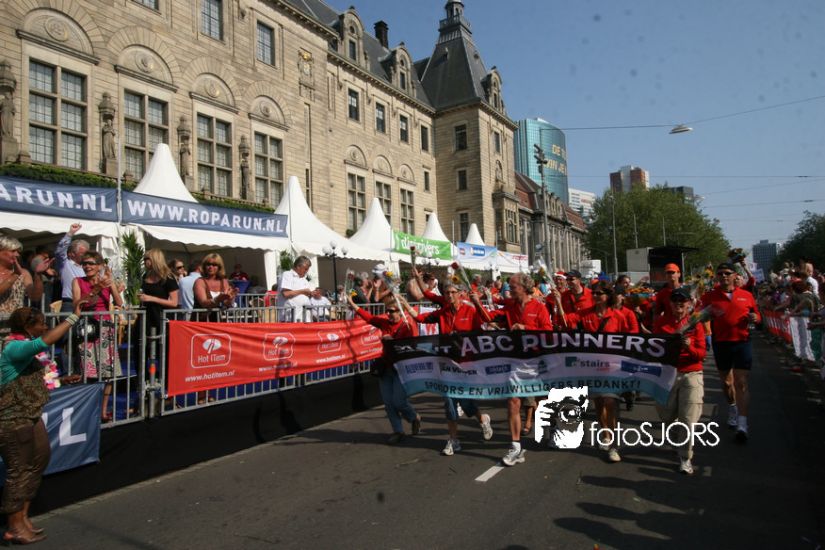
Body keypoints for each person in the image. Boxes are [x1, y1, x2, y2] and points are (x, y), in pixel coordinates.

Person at [0, 300, 86, 544]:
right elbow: (44, 342)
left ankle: (23, 517)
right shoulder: (13, 348)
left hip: (30, 414)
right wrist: (73, 318)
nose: (45, 327)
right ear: (28, 327)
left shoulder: (25, 347)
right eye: (41, 324)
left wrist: (63, 380)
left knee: (39, 459)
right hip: (13, 417)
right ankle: (14, 526)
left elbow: (32, 377)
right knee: (19, 469)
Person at [478, 273, 552, 466]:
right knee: (513, 401)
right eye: (509, 287)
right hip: (516, 360)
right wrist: (476, 303)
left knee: (542, 400)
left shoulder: (539, 307)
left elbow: (548, 332)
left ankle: (550, 427)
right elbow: (489, 317)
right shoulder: (509, 306)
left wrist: (525, 327)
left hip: (536, 361)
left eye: (512, 286)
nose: (508, 290)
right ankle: (516, 447)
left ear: (524, 287)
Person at [411, 282, 493, 456]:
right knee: (449, 400)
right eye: (446, 293)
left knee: (465, 401)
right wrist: (404, 304)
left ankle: (482, 419)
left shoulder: (469, 311)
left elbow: (480, 333)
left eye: (452, 292)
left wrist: (462, 338)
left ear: (460, 294)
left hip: (466, 364)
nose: (449, 295)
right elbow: (420, 319)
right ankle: (453, 440)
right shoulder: (443, 312)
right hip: (447, 363)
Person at [560, 281, 627, 462]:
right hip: (592, 367)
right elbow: (565, 321)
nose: (596, 296)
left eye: (599, 293)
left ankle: (614, 445)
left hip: (613, 367)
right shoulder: (585, 313)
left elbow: (629, 340)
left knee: (610, 402)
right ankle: (605, 434)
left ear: (608, 296)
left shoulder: (618, 316)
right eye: (594, 293)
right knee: (598, 403)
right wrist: (558, 302)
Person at [347, 293, 421, 444]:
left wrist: (393, 341)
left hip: (401, 369)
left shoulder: (408, 326)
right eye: (387, 311)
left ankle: (414, 417)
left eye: (392, 311)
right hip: (385, 368)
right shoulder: (384, 323)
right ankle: (398, 431)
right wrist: (352, 304)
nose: (389, 314)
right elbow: (368, 317)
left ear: (400, 311)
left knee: (399, 402)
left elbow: (413, 346)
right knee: (388, 403)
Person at [700, 262, 760, 442]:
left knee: (741, 382)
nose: (724, 276)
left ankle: (742, 424)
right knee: (727, 383)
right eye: (720, 273)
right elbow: (699, 315)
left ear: (735, 275)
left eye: (727, 273)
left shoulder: (746, 295)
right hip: (721, 343)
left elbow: (757, 316)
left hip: (742, 342)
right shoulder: (710, 296)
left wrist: (755, 317)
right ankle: (733, 407)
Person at [653, 287, 707, 475]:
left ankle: (685, 457)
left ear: (689, 304)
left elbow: (702, 354)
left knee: (689, 419)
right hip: (667, 374)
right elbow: (653, 349)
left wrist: (689, 347)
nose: (678, 304)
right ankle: (676, 437)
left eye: (682, 301)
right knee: (666, 416)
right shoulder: (661, 323)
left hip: (691, 374)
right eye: (675, 300)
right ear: (670, 304)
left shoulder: (695, 324)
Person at [72, 251, 123, 422]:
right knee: (88, 372)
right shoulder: (77, 281)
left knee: (108, 372)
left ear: (99, 266)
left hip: (105, 328)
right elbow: (78, 305)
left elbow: (119, 302)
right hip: (87, 329)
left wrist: (111, 284)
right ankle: (88, 410)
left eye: (91, 263)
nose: (87, 266)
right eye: (84, 263)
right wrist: (97, 288)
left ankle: (103, 410)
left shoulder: (106, 281)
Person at [0, 236, 48, 339]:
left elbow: (35, 297)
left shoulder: (24, 273)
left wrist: (38, 275)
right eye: (13, 251)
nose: (17, 255)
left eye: (18, 252)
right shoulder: (18, 273)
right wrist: (15, 276)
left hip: (16, 328)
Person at [138, 249, 179, 339]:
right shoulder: (146, 275)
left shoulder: (168, 277)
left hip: (160, 317)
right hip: (145, 316)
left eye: (147, 259)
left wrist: (152, 298)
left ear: (155, 259)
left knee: (158, 343)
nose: (144, 261)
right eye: (144, 259)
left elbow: (174, 303)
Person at [54, 223, 89, 313]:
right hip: (70, 304)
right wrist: (70, 233)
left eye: (87, 253)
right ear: (73, 253)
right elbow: (60, 251)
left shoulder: (88, 267)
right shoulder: (65, 264)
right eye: (82, 254)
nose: (86, 256)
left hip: (86, 303)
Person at [193, 253, 237, 320]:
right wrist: (218, 299)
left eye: (214, 265)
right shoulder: (200, 281)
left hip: (217, 321)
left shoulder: (224, 281)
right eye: (208, 264)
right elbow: (204, 303)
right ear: (204, 266)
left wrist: (231, 299)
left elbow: (226, 303)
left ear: (219, 267)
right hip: (201, 321)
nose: (211, 267)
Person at [275, 256, 312, 322]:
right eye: (305, 269)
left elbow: (305, 295)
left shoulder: (304, 279)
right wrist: (303, 291)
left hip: (304, 318)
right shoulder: (287, 275)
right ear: (298, 266)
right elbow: (286, 293)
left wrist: (311, 294)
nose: (306, 271)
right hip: (290, 318)